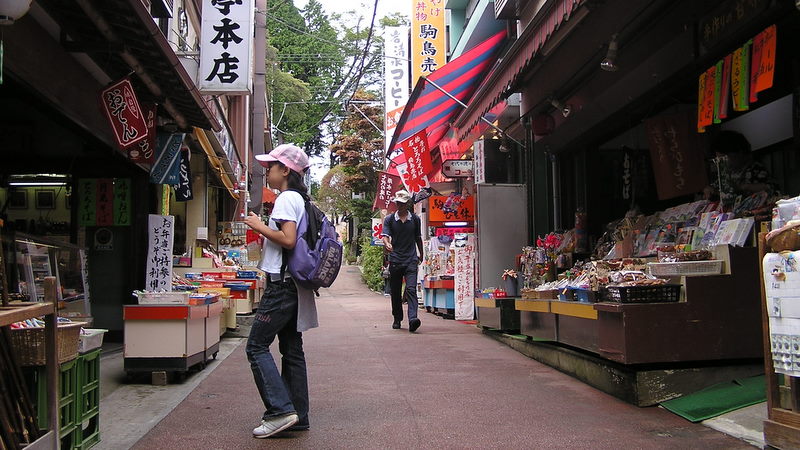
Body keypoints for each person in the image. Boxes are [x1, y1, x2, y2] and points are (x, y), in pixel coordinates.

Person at [243, 144, 317, 438]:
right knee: (291, 350)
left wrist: (258, 225)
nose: (267, 171)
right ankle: (298, 414)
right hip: (295, 286)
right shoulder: (301, 199)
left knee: (256, 346)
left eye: (271, 166)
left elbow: (287, 240)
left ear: (286, 170)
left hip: (281, 285)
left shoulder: (286, 198)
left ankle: (279, 410)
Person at [381, 190, 424, 332]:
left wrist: (421, 254)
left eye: (402, 203)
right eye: (397, 203)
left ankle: (413, 319)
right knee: (395, 291)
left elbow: (418, 238)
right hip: (395, 260)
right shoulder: (390, 219)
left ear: (408, 204)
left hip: (411, 259)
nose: (399, 205)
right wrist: (387, 244)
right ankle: (397, 318)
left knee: (411, 289)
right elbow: (385, 235)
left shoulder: (415, 220)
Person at [705, 130, 777, 210]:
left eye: (724, 157)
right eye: (718, 159)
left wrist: (742, 187)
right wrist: (710, 190)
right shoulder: (727, 173)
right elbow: (715, 188)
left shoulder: (755, 169)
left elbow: (770, 188)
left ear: (739, 152)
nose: (722, 162)